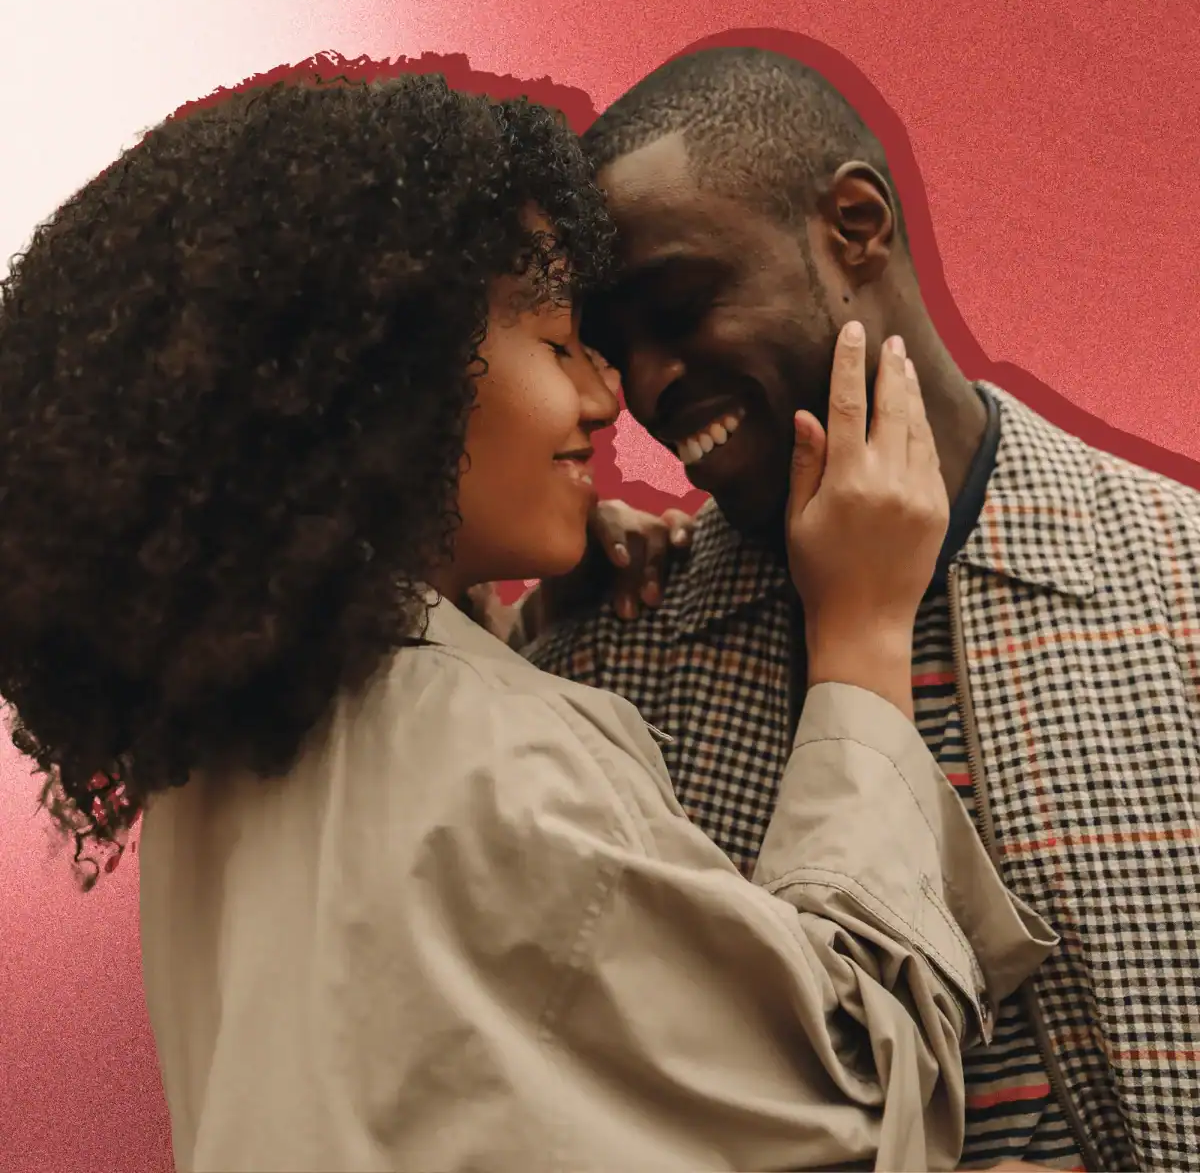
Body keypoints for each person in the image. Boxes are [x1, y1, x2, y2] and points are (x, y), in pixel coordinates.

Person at [0, 73, 1051, 1173]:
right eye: (559, 346)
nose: (608, 397)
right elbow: (856, 1090)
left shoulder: (223, 764)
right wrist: (862, 636)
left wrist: (501, 634)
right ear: (393, 383)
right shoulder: (501, 765)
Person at [524, 45, 1200, 1172]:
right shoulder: (608, 667)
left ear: (855, 224)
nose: (643, 386)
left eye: (679, 306)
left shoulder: (1181, 583)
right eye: (609, 345)